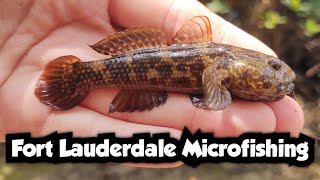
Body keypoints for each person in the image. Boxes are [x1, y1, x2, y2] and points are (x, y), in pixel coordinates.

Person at [0, 0, 303, 167]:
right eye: (272, 66)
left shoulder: (224, 64)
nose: (278, 74)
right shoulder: (221, 62)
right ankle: (81, 76)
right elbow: (214, 95)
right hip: (128, 67)